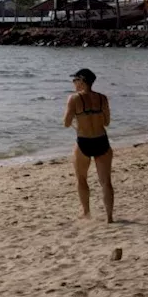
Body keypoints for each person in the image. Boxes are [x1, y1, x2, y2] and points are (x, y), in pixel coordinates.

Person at [63, 68, 114, 222]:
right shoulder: (102, 98)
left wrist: (77, 125)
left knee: (81, 179)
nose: (73, 83)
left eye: (75, 80)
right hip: (101, 140)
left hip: (84, 141)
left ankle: (86, 213)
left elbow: (66, 123)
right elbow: (106, 122)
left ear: (82, 81)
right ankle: (109, 217)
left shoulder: (74, 99)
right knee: (106, 182)